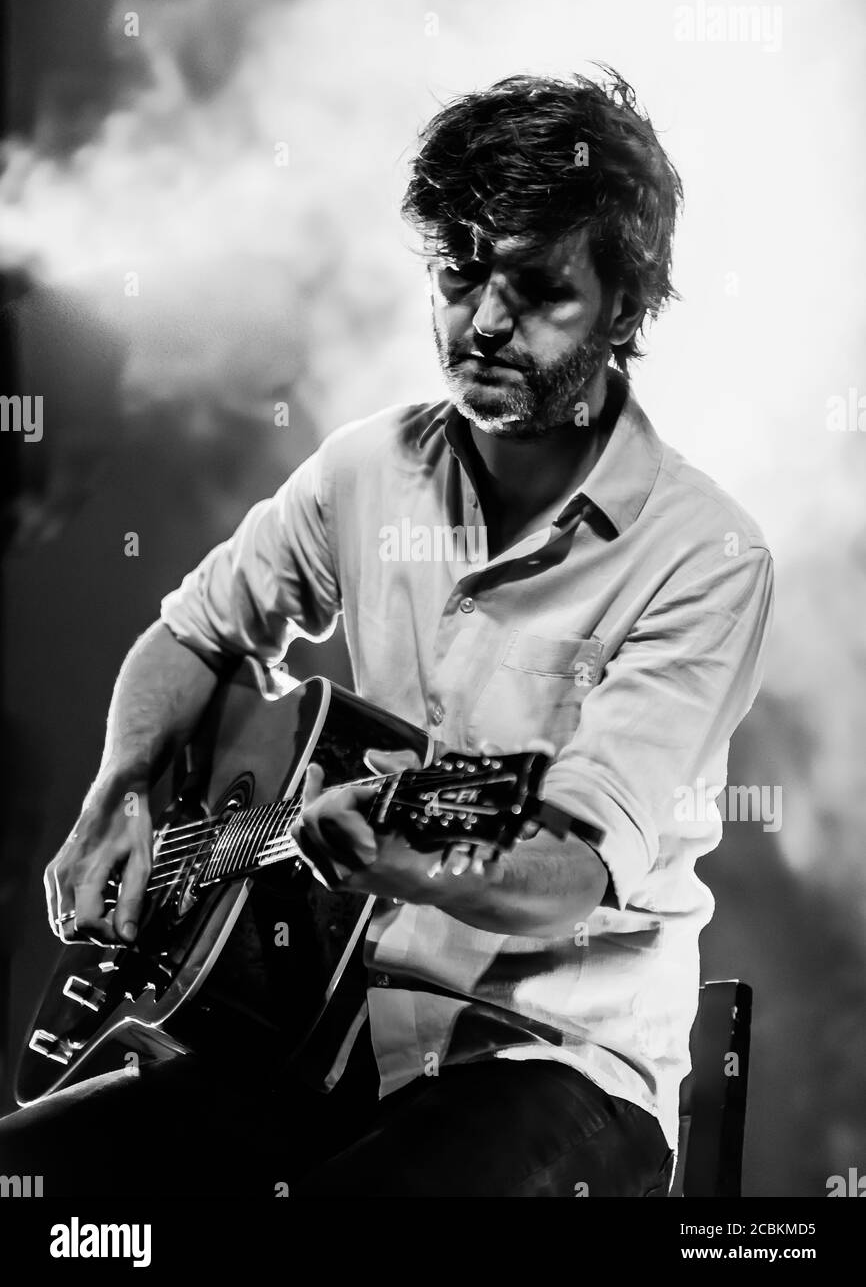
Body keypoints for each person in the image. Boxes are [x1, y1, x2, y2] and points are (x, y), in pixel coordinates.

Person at [1, 69, 774, 1197]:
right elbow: (191, 635)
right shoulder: (364, 470)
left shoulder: (703, 556)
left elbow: (564, 869)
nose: (484, 322)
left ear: (622, 304)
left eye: (537, 289)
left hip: (556, 1067)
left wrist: (406, 862)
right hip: (318, 1037)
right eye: (457, 276)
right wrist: (120, 789)